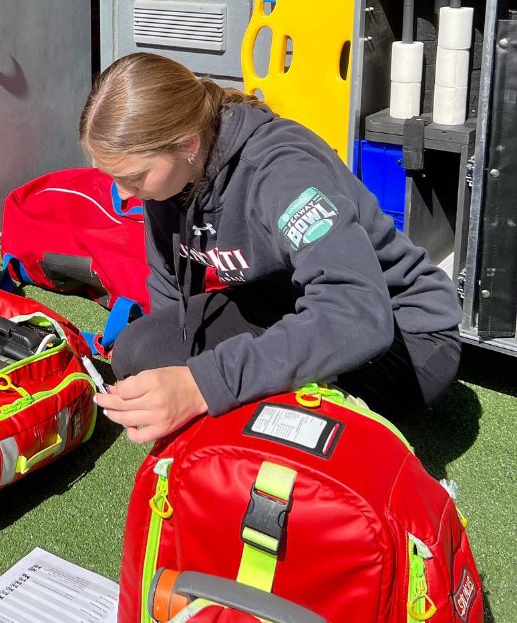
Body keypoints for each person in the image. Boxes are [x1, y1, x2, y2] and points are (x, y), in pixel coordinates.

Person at [80, 52, 461, 444]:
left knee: (272, 428)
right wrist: (174, 374)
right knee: (140, 354)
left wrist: (202, 384)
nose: (124, 192)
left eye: (133, 177)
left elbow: (358, 314)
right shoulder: (167, 179)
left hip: (400, 337)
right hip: (282, 305)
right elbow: (167, 285)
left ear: (189, 144)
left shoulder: (282, 171)